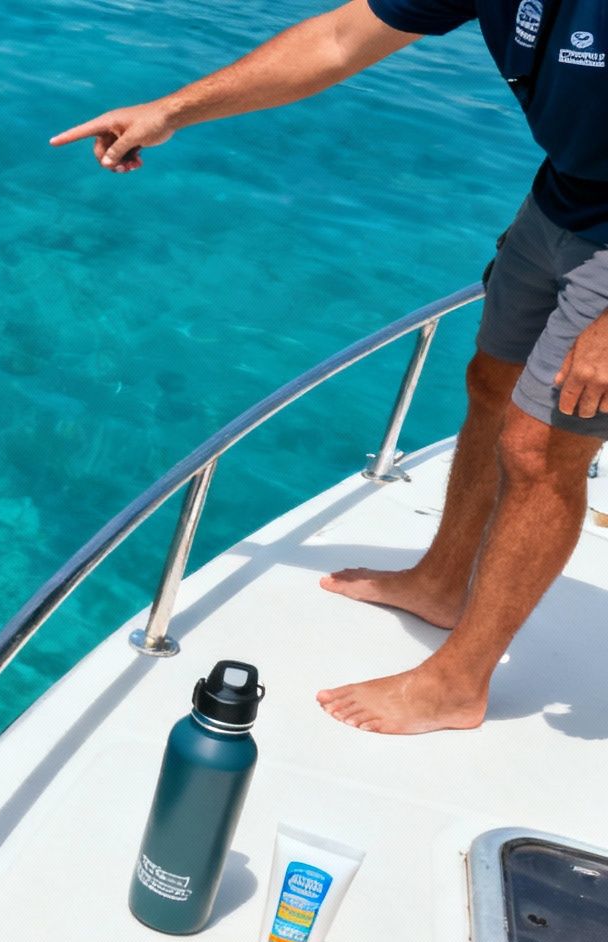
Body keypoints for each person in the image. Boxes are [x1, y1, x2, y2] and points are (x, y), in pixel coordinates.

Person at [51, 0, 608, 734]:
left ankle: (458, 683)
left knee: (540, 450)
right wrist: (172, 111)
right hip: (563, 197)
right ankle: (443, 580)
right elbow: (340, 41)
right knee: (490, 384)